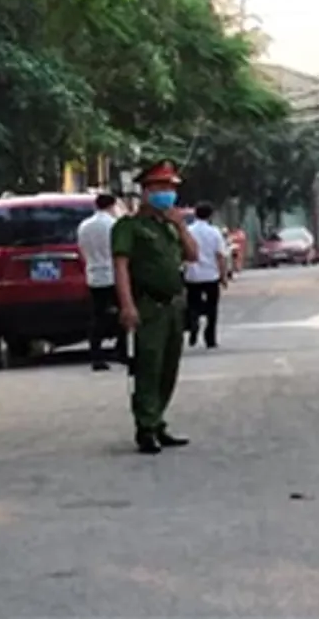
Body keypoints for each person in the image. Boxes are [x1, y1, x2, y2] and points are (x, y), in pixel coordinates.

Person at [112, 159, 196, 454]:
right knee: (149, 366)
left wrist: (180, 226)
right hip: (148, 305)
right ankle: (145, 427)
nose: (167, 194)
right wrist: (127, 306)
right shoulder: (129, 227)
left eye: (170, 189)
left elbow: (193, 255)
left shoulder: (169, 226)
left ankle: (158, 420)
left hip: (174, 305)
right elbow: (120, 267)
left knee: (169, 368)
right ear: (145, 192)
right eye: (160, 188)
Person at [78, 193, 124, 372]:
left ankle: (96, 355)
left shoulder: (84, 226)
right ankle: (121, 350)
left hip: (94, 275)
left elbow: (82, 250)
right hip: (113, 275)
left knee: (98, 317)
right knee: (121, 313)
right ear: (112, 205)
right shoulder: (114, 225)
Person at [184, 203, 228, 350]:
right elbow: (220, 256)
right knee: (212, 308)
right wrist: (223, 276)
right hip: (211, 275)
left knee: (192, 305)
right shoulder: (214, 232)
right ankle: (210, 339)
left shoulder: (188, 231)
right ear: (210, 216)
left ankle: (193, 322)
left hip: (192, 276)